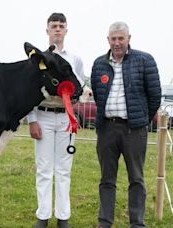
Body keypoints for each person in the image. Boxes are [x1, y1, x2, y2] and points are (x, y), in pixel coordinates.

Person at [90, 21, 161, 227]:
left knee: (136, 179)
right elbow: (98, 94)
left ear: (129, 38)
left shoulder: (145, 60)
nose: (117, 43)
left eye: (121, 38)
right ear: (108, 40)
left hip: (134, 130)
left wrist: (140, 120)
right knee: (106, 179)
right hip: (107, 129)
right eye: (113, 39)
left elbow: (154, 96)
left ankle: (137, 223)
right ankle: (105, 222)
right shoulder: (99, 64)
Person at [27, 12, 86, 228]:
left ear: (66, 30)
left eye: (61, 25)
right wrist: (32, 120)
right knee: (43, 168)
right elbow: (31, 90)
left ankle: (63, 217)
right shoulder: (38, 59)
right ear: (47, 30)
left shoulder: (75, 60)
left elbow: (78, 88)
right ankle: (42, 216)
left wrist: (73, 112)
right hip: (42, 115)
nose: (58, 29)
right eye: (54, 25)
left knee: (63, 169)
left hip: (65, 117)